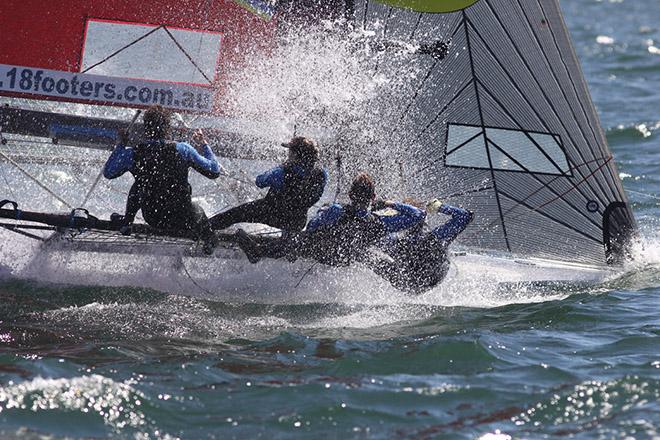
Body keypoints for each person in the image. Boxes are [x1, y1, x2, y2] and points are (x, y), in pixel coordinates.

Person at [234, 172, 425, 267]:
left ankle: (259, 252)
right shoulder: (381, 223)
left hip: (318, 253)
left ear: (350, 194)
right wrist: (390, 203)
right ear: (373, 197)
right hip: (345, 260)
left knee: (300, 237)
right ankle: (286, 250)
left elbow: (312, 227)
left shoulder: (336, 210)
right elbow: (418, 215)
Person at [103, 105, 222, 251]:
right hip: (183, 218)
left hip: (154, 218)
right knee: (197, 208)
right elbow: (214, 171)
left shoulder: (134, 153)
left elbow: (108, 172)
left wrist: (121, 145)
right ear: (168, 128)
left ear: (145, 129)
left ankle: (127, 222)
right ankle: (209, 237)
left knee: (139, 185)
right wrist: (203, 144)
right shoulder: (183, 149)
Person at [209, 136, 327, 233]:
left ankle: (204, 229)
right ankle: (284, 244)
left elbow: (260, 182)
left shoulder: (282, 172)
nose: (288, 153)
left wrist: (282, 166)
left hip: (271, 212)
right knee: (291, 223)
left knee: (233, 215)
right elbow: (315, 197)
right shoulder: (321, 173)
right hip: (297, 221)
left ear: (295, 154)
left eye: (290, 150)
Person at [363, 199, 473, 294]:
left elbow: (371, 241)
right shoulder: (435, 237)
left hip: (408, 285)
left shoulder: (396, 242)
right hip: (436, 277)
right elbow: (466, 216)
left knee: (365, 254)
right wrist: (440, 207)